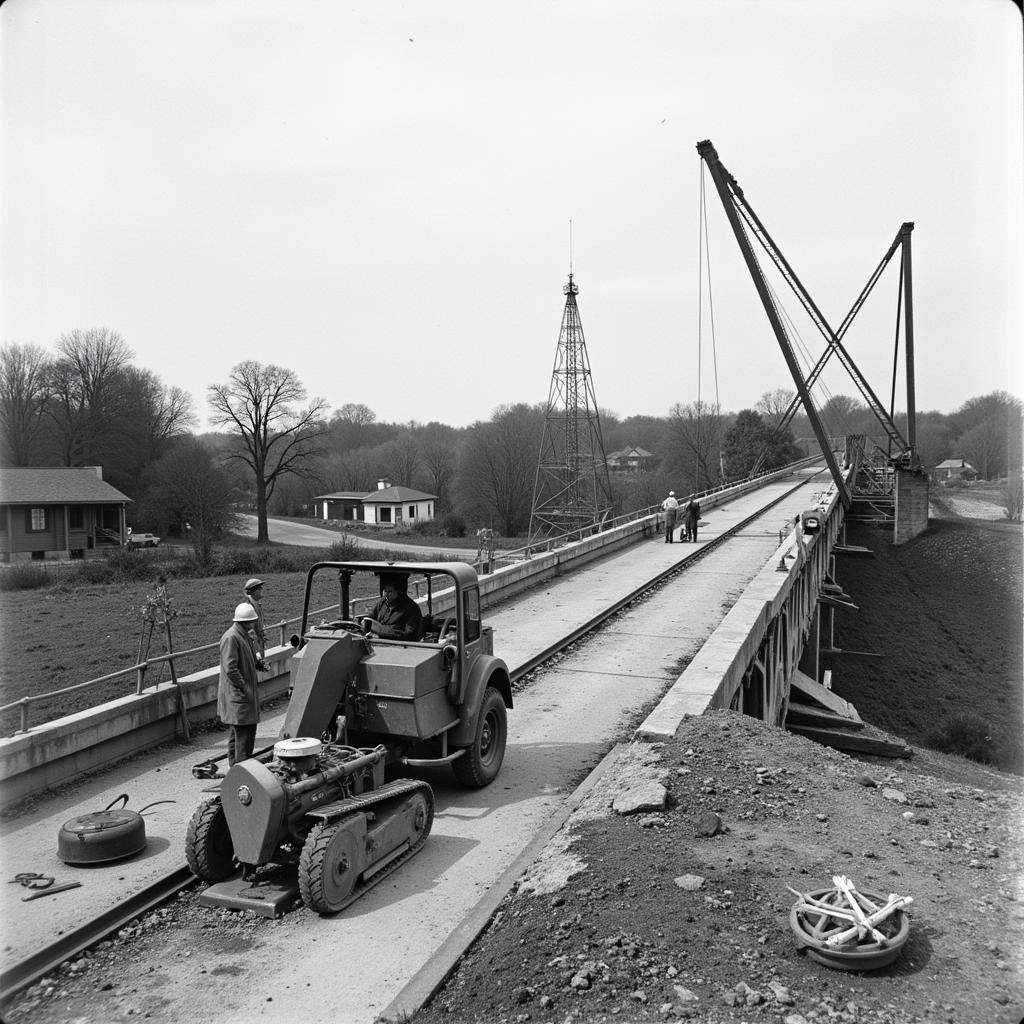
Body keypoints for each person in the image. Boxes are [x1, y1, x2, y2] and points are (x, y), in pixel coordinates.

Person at [217, 603, 261, 767]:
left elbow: (246, 658)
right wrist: (244, 687)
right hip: (239, 697)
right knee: (245, 738)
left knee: (237, 736)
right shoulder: (232, 638)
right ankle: (242, 771)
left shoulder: (242, 635)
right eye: (251, 621)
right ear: (245, 622)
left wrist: (258, 664)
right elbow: (231, 668)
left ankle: (234, 770)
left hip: (241, 697)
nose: (253, 624)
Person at [361, 573, 423, 640]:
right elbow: (371, 618)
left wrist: (383, 632)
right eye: (385, 591)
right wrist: (363, 623)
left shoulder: (411, 608)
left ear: (398, 591)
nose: (386, 594)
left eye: (389, 591)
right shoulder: (382, 602)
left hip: (398, 646)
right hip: (378, 643)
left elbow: (410, 635)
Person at [242, 577, 267, 667]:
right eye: (259, 587)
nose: (262, 589)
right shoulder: (249, 608)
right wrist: (256, 652)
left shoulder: (256, 605)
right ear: (253, 591)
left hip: (259, 646)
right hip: (254, 651)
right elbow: (250, 632)